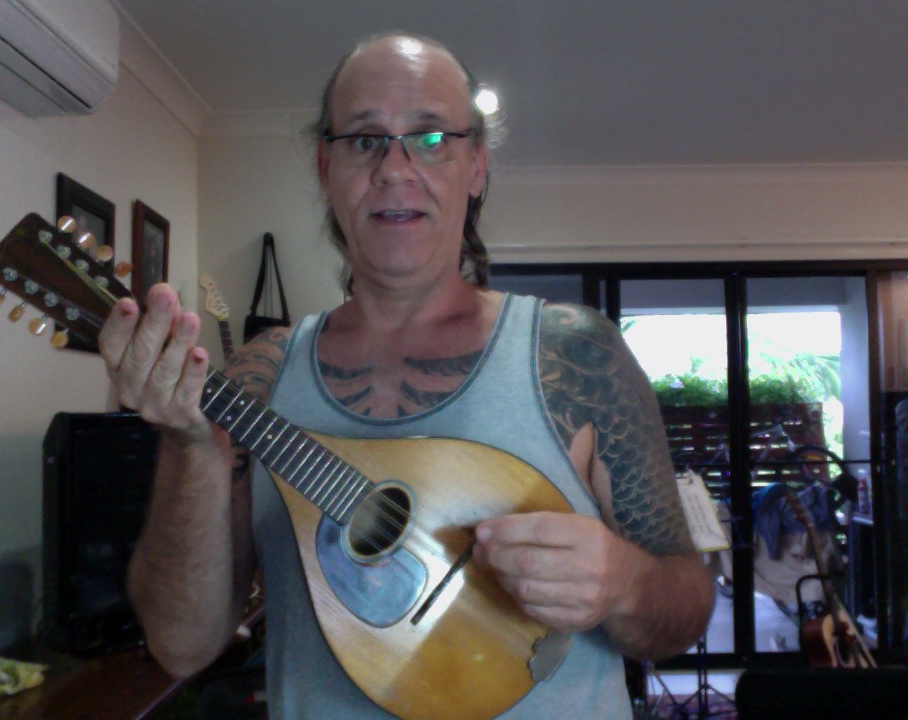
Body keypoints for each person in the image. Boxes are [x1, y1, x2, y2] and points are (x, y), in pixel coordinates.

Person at [101, 32, 714, 719]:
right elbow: (181, 647)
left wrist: (624, 582)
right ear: (326, 166)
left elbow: (685, 611)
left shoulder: (578, 357)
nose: (394, 168)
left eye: (430, 137)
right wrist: (189, 445)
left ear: (476, 165)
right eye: (365, 140)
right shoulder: (255, 380)